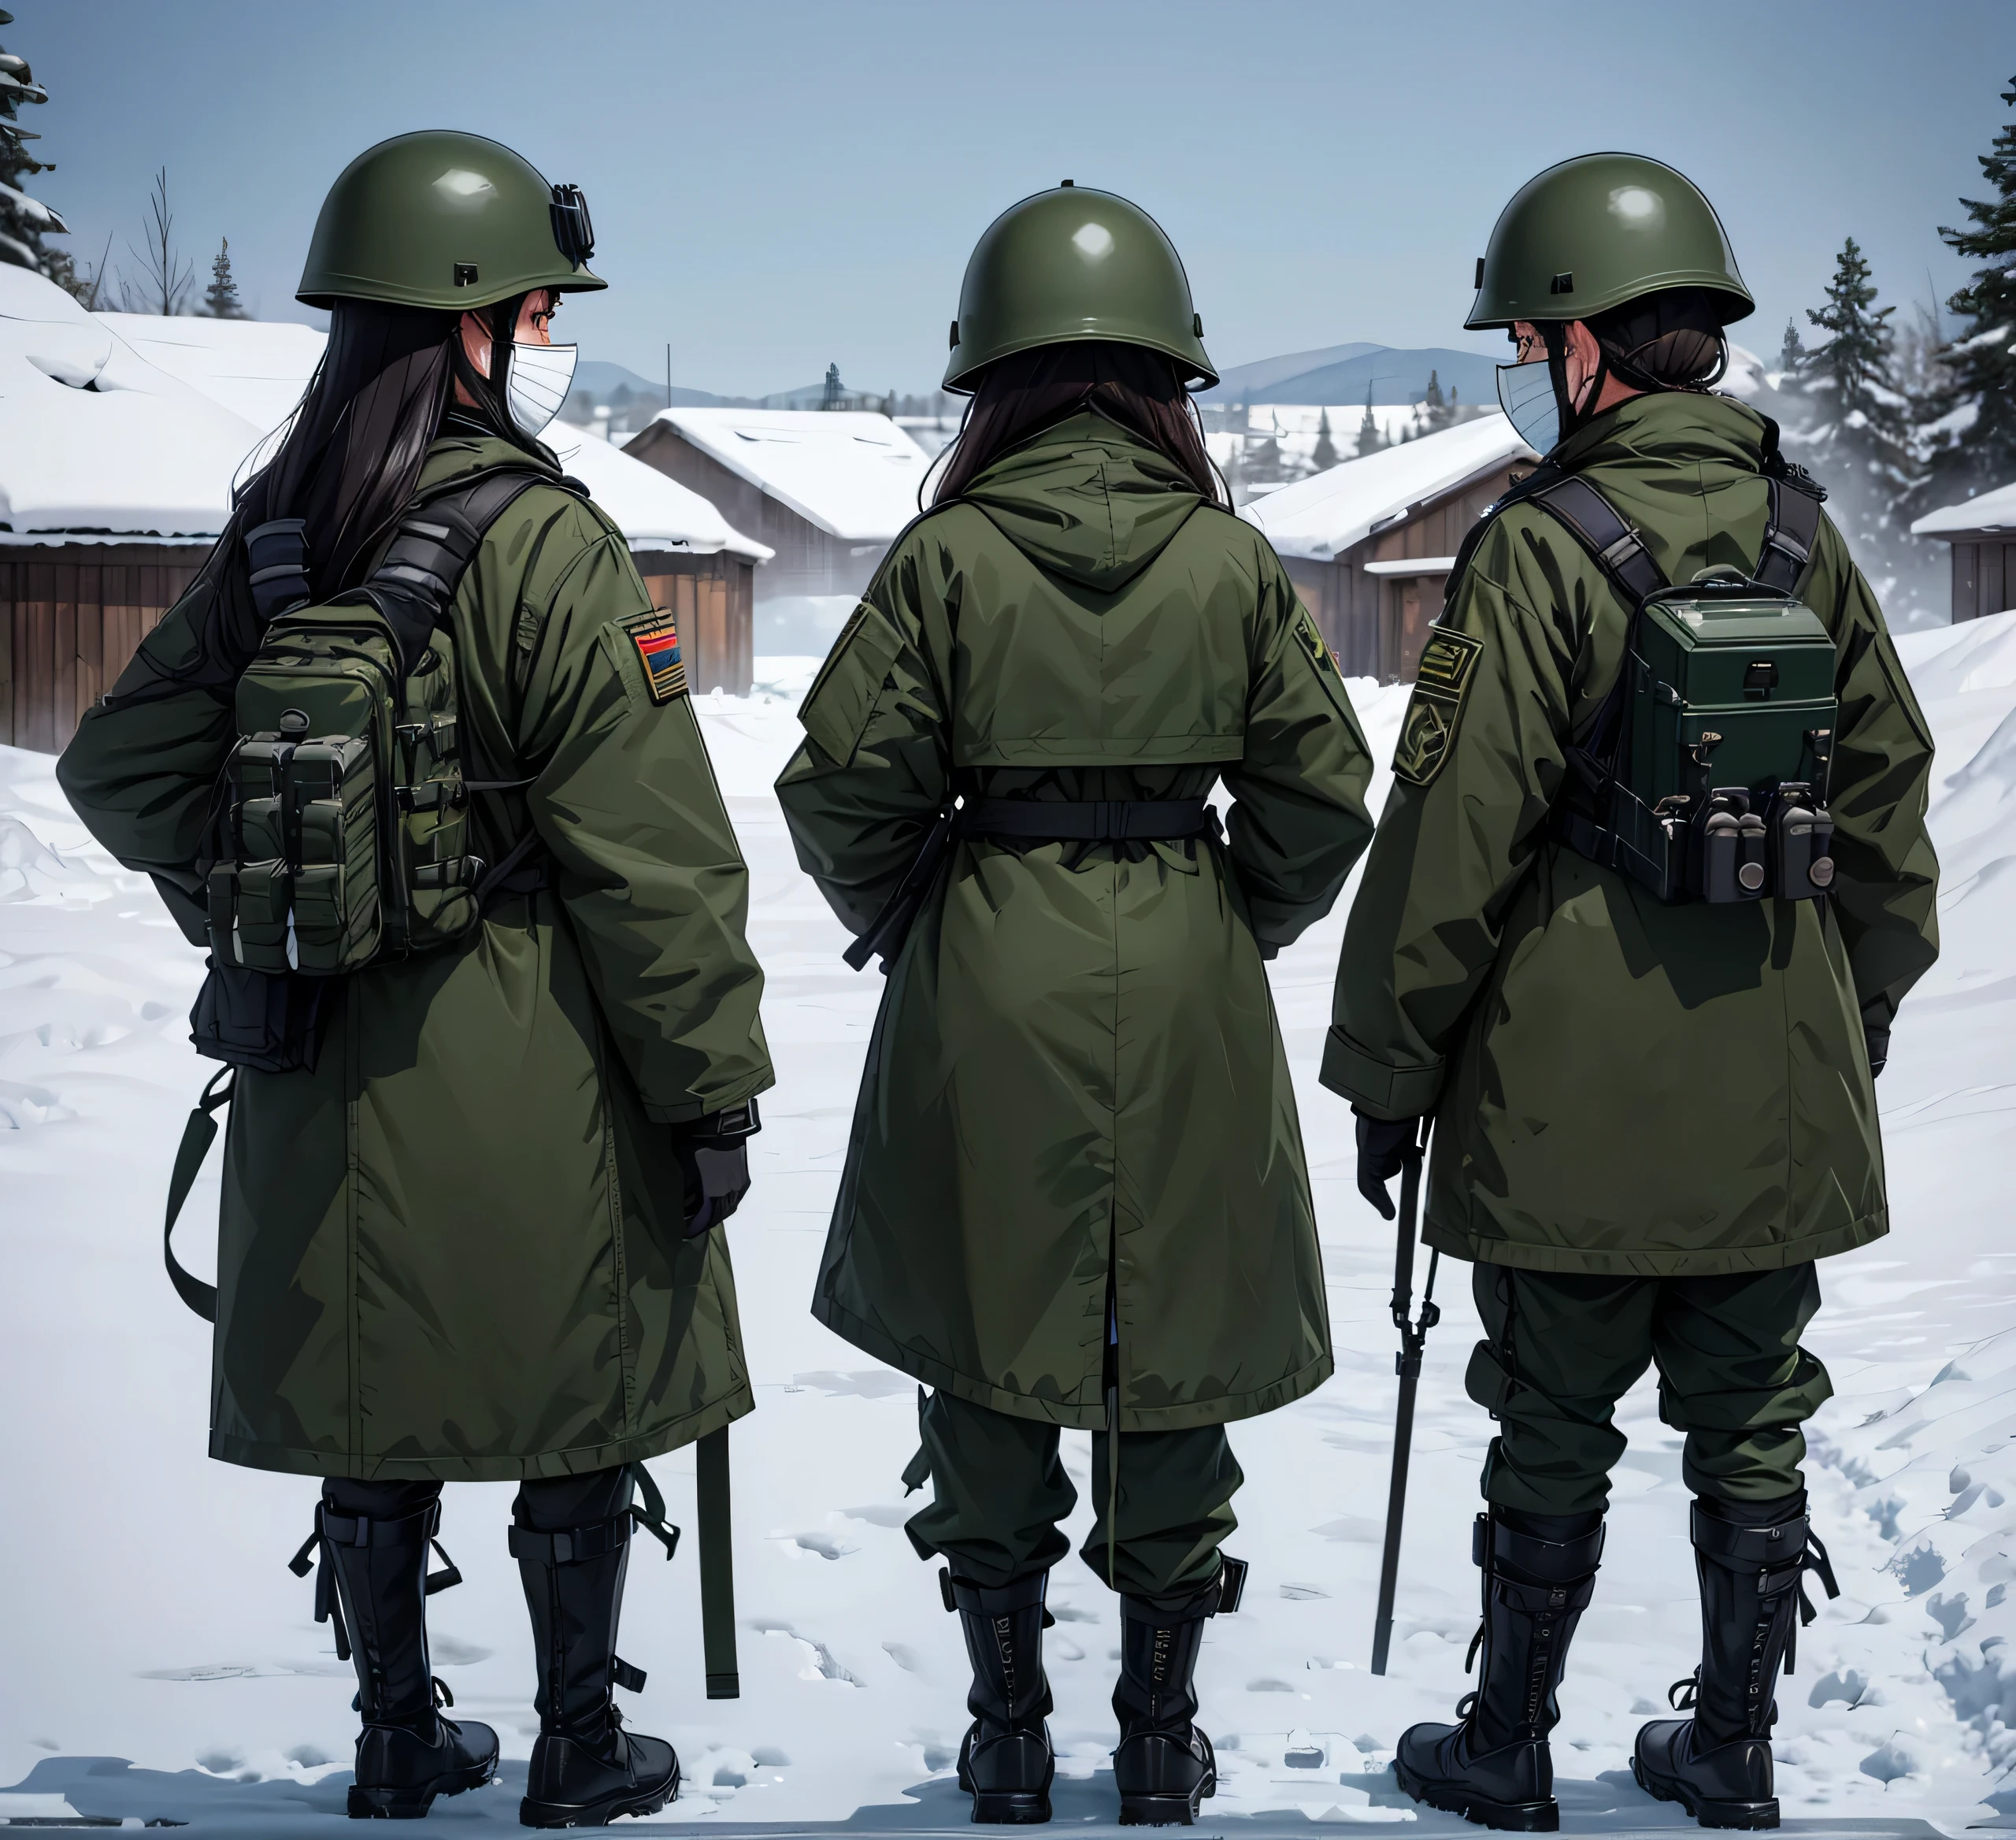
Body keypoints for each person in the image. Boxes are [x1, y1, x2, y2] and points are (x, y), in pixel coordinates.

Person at [56, 131, 773, 1829]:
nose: (546, 337)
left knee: (377, 1395)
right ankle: (579, 1742)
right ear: (467, 321)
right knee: (571, 1390)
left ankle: (394, 1735)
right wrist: (709, 1088)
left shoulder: (269, 541)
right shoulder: (552, 545)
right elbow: (653, 864)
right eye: (535, 309)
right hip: (528, 1055)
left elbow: (118, 774)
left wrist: (269, 900)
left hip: (315, 1059)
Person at [1325, 153, 1940, 1833]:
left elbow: (1446, 837)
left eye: (1526, 337)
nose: (1518, 368)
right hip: (1773, 1084)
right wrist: (1848, 1011)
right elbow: (1888, 797)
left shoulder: (1531, 552)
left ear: (1587, 346)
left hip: (1560, 1107)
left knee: (1547, 1417)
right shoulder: (1807, 537)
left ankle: (1504, 1743)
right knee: (1749, 1415)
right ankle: (1733, 1745)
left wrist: (1390, 1068)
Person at [776, 183, 1377, 1828]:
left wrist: (925, 908)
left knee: (981, 1330)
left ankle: (1007, 1729)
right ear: (1168, 375)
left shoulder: (943, 559)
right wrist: (1221, 913)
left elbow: (835, 789)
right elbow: (1325, 794)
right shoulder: (1233, 560)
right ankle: (1165, 1737)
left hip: (986, 967)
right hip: (1182, 969)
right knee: (1166, 1337)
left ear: (993, 372)